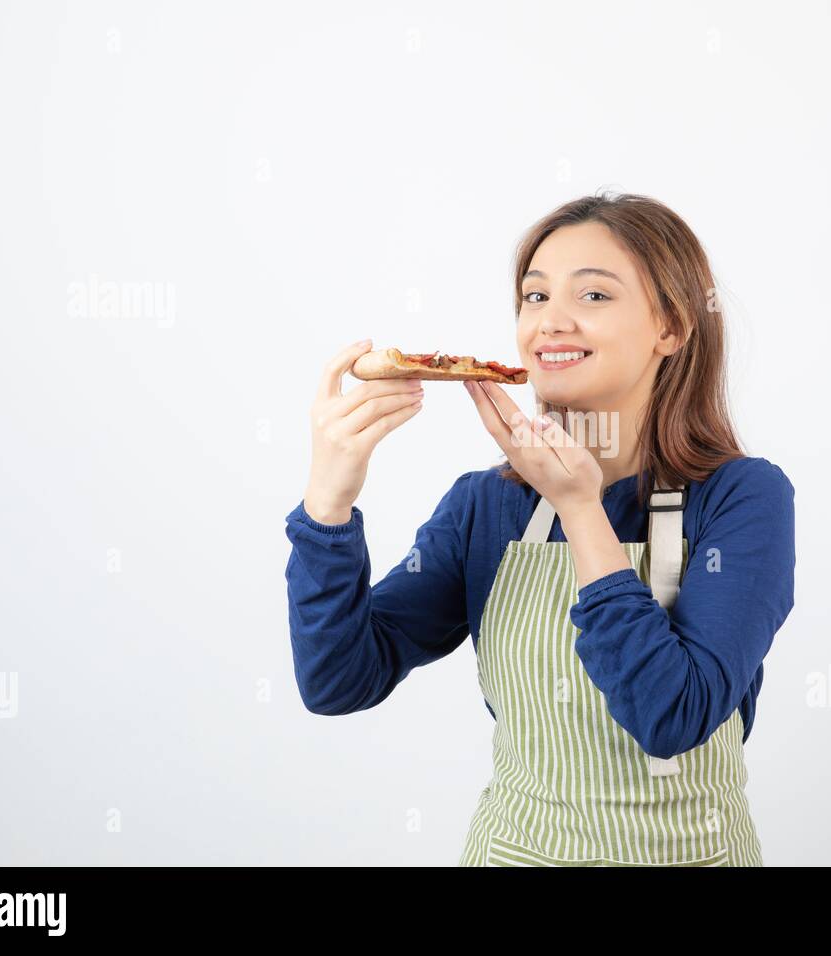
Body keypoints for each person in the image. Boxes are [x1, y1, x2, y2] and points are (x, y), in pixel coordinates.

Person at [284, 192, 796, 866]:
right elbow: (339, 681)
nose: (550, 322)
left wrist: (581, 510)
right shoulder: (483, 509)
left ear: (670, 327)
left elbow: (671, 716)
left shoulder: (741, 498)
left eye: (593, 297)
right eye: (534, 296)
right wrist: (328, 502)